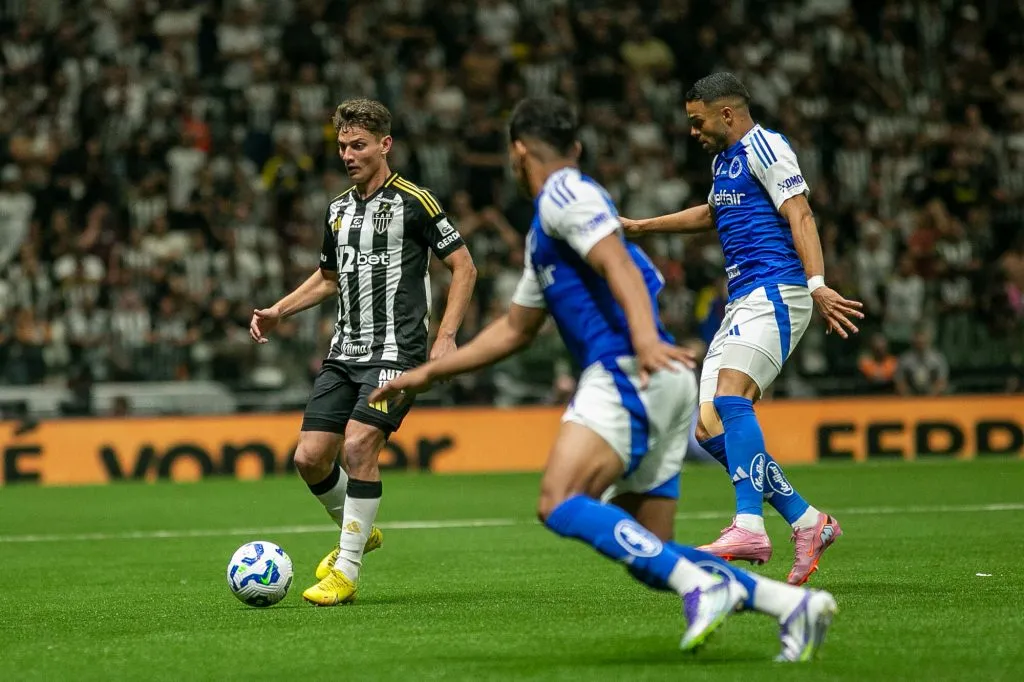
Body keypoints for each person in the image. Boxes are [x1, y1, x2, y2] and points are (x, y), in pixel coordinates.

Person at [370, 97, 836, 661]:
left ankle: (709, 577)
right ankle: (792, 607)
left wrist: (642, 341)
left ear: (518, 153)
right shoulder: (552, 224)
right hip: (656, 382)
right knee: (656, 554)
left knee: (558, 500)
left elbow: (620, 264)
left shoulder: (566, 193)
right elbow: (515, 330)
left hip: (626, 372)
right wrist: (425, 372)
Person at [621, 73, 864, 585]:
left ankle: (749, 525)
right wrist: (642, 227)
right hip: (743, 299)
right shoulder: (723, 162)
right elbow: (712, 214)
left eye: (697, 120)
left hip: (777, 289)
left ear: (726, 113)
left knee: (733, 397)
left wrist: (817, 283)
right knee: (708, 425)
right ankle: (806, 519)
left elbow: (800, 214)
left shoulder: (766, 146)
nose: (693, 131)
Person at [249, 99, 477, 606]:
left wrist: (445, 336)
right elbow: (328, 278)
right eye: (342, 146)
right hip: (344, 352)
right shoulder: (337, 210)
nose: (348, 155)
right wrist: (279, 310)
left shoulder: (417, 202)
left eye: (358, 145)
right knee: (309, 458)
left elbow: (464, 267)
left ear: (384, 145)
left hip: (397, 353)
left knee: (357, 447)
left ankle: (346, 568)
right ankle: (359, 531)